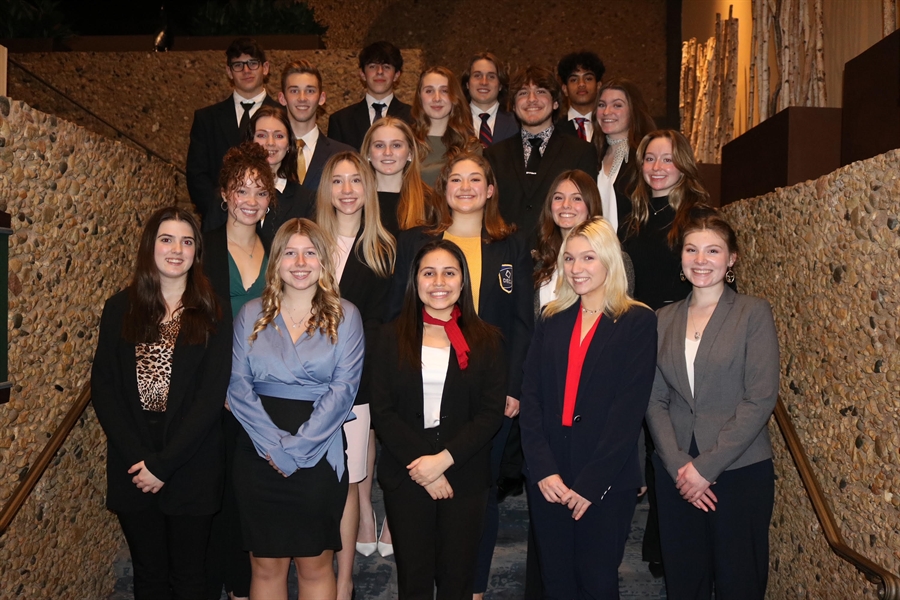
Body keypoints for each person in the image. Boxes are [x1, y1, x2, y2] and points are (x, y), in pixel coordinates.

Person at [386, 154, 533, 598]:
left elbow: (522, 321)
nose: (465, 187)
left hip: (486, 391)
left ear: (490, 190)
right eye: (455, 179)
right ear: (443, 188)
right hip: (423, 383)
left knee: (478, 492)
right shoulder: (417, 241)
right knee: (419, 494)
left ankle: (472, 587)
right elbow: (396, 310)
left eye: (475, 179)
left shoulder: (511, 244)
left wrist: (512, 387)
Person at [92, 206, 231, 600]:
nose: (176, 250)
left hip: (192, 460)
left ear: (196, 252)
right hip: (133, 461)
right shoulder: (119, 308)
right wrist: (142, 461)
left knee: (190, 577)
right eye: (166, 239)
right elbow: (104, 387)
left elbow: (210, 396)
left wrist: (164, 464)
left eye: (186, 242)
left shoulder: (215, 311)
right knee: (149, 574)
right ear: (149, 246)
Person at [519, 217, 657, 598]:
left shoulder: (638, 321)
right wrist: (543, 469)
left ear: (609, 260)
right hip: (550, 473)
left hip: (606, 473)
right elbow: (531, 398)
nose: (576, 268)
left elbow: (629, 411)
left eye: (588, 258)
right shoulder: (551, 318)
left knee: (597, 583)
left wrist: (592, 483)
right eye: (570, 259)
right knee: (556, 584)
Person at [227, 218, 365, 599]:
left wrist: (298, 449)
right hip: (257, 453)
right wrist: (274, 446)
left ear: (323, 261)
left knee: (315, 565)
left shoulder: (346, 316)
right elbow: (237, 387)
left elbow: (343, 391)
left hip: (318, 455)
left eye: (310, 253)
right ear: (276, 261)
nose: (300, 262)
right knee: (265, 567)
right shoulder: (250, 314)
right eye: (290, 252)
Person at [646, 206, 779, 599]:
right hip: (675, 472)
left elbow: (760, 397)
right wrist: (678, 463)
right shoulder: (662, 318)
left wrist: (705, 467)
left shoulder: (753, 312)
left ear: (731, 258)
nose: (700, 260)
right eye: (691, 250)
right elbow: (654, 398)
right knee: (684, 581)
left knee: (740, 582)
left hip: (738, 470)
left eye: (713, 250)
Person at [370, 239, 507, 598]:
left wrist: (443, 460)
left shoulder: (488, 340)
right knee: (413, 581)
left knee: (457, 581)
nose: (439, 282)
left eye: (449, 273)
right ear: (415, 281)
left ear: (463, 281)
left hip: (464, 473)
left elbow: (490, 413)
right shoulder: (388, 336)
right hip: (407, 472)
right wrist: (424, 466)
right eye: (429, 273)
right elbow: (382, 410)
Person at [314, 152, 396, 598]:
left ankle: (343, 580)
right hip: (306, 378)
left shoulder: (386, 248)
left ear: (369, 189)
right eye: (338, 181)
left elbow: (388, 320)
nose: (347, 191)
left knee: (348, 474)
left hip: (360, 377)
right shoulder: (308, 241)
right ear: (326, 189)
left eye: (356, 181)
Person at [485, 66, 598, 239]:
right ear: (513, 105)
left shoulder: (581, 152)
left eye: (540, 91)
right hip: (507, 251)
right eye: (523, 93)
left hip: (562, 250)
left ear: (555, 102)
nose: (532, 99)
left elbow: (589, 211)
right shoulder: (494, 155)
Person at [187, 37, 280, 232]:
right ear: (229, 72)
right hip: (219, 222)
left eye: (252, 63)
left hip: (274, 222)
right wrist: (221, 210)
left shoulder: (284, 116)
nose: (246, 70)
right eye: (238, 65)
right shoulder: (207, 118)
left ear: (265, 68)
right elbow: (196, 175)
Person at [623, 129, 706, 312]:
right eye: (650, 159)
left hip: (683, 321)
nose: (656, 167)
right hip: (639, 322)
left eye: (667, 160)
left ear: (683, 165)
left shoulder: (699, 218)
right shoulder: (630, 223)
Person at [533, 169, 634, 313]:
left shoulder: (616, 259)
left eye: (576, 198)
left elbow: (621, 314)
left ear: (591, 204)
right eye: (558, 198)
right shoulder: (542, 263)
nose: (566, 205)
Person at [590, 77, 656, 235]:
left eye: (617, 105)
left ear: (633, 110)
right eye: (602, 105)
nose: (607, 112)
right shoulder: (589, 155)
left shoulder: (647, 158)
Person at [278, 60, 355, 192]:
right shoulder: (268, 152)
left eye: (310, 91)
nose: (302, 98)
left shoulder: (343, 155)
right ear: (282, 98)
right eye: (294, 91)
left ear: (322, 98)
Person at [247, 105, 316, 247]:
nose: (270, 143)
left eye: (279, 136)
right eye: (261, 135)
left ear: (289, 144)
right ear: (250, 141)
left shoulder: (306, 201)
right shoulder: (230, 194)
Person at [327, 41, 413, 151]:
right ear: (363, 74)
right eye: (372, 66)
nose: (380, 72)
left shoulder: (414, 118)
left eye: (386, 67)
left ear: (396, 75)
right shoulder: (341, 121)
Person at [361, 116, 435, 237]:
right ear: (368, 153)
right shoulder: (354, 199)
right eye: (379, 145)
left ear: (410, 153)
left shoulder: (430, 201)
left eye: (396, 145)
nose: (387, 152)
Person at [410, 66, 482, 186]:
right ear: (419, 97)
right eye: (429, 91)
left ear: (454, 97)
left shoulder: (470, 147)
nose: (437, 98)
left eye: (444, 91)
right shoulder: (405, 142)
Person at [461, 52, 519, 148]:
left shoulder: (517, 123)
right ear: (467, 83)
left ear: (500, 85)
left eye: (491, 76)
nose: (484, 82)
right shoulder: (452, 123)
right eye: (477, 75)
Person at [555, 51, 605, 142]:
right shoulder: (554, 129)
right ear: (565, 89)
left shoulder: (610, 124)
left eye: (588, 79)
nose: (581, 84)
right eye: (574, 80)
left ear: (598, 86)